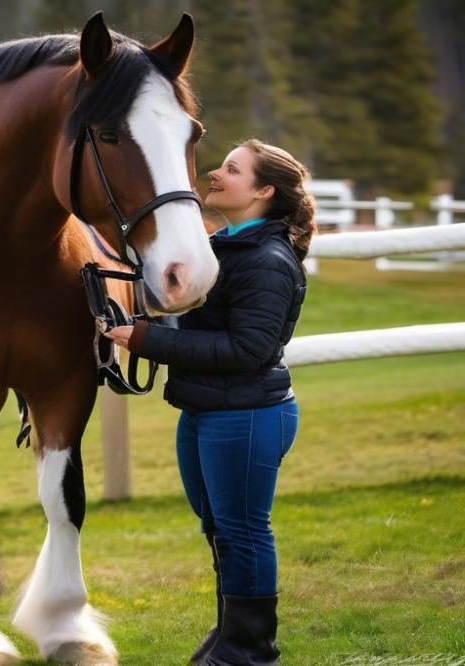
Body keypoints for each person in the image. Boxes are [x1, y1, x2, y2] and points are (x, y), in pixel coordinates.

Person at [105, 139, 315, 665]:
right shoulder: (225, 246)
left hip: (245, 415)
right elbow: (195, 317)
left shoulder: (265, 261)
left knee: (242, 530)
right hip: (207, 409)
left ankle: (250, 649)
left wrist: (147, 341)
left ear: (264, 191)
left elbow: (248, 350)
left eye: (232, 169)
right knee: (220, 527)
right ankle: (230, 636)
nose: (216, 174)